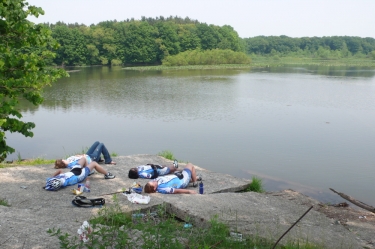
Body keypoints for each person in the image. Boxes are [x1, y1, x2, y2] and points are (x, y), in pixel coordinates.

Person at [44, 159, 115, 191]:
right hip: (79, 175)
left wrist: (52, 177)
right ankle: (107, 174)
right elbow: (60, 171)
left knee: (83, 159)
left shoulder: (56, 180)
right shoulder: (65, 182)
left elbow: (60, 171)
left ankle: (88, 170)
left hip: (73, 171)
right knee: (94, 163)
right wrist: (52, 177)